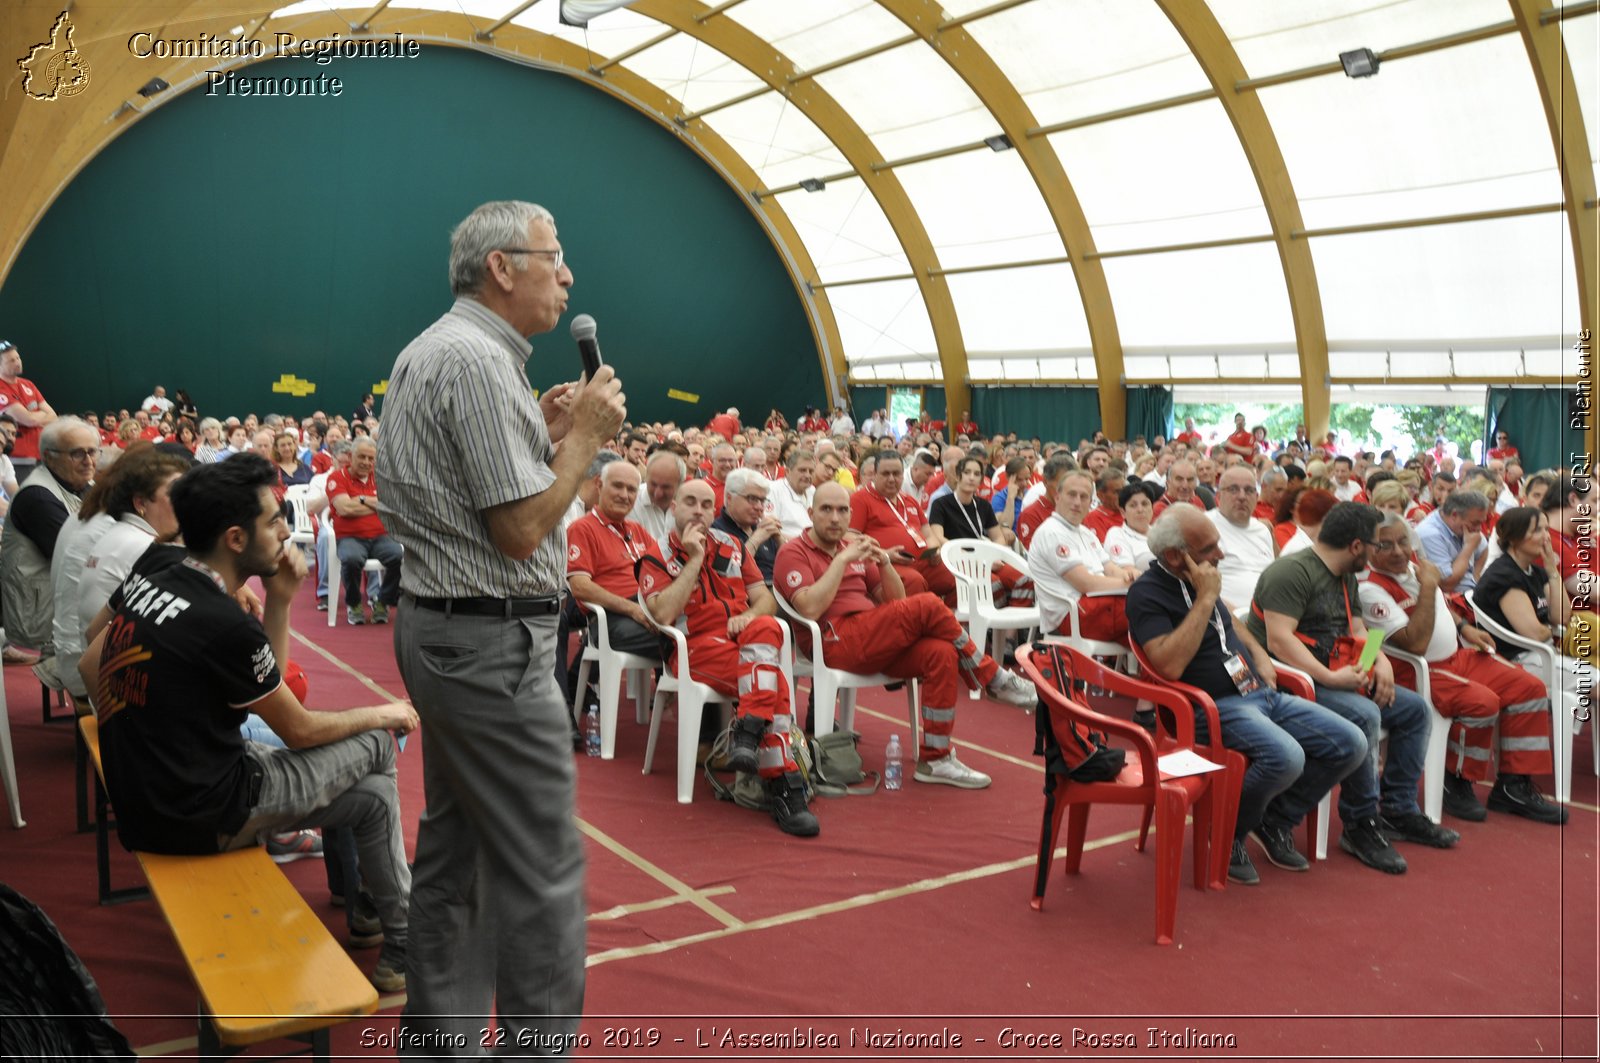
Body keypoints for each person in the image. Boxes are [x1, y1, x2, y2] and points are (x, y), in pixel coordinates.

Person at [379, 200, 624, 1050]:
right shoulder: (479, 364)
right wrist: (584, 441)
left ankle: (439, 1040)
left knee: (462, 855)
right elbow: (520, 532)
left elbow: (472, 493)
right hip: (489, 645)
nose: (567, 275)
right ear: (501, 268)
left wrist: (545, 431)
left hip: (446, 632)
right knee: (543, 870)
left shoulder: (439, 350)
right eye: (553, 257)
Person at [78, 455, 417, 991]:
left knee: (375, 799)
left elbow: (88, 661)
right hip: (204, 809)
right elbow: (297, 729)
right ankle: (388, 925)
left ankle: (386, 923)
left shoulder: (159, 568)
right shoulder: (219, 623)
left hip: (149, 795)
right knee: (380, 742)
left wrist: (278, 602)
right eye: (275, 520)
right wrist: (387, 710)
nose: (287, 530)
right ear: (235, 539)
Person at [1128, 507, 1366, 884]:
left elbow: (1231, 620)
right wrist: (1205, 598)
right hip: (1208, 707)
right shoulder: (1147, 592)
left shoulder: (1200, 577)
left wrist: (1259, 657)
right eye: (1208, 549)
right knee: (1287, 757)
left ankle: (1274, 821)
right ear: (1175, 556)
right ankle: (1227, 830)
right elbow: (1167, 666)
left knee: (1351, 742)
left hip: (1255, 690)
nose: (1220, 555)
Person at [774, 482, 1035, 789]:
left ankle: (935, 760)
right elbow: (809, 609)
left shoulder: (855, 550)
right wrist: (841, 561)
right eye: (826, 510)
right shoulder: (793, 552)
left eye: (842, 510)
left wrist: (883, 562)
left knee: (941, 653)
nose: (835, 518)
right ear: (810, 513)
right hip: (834, 642)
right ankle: (993, 678)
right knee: (927, 603)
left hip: (871, 634)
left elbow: (894, 601)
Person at [1246, 502, 1458, 873]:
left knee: (1414, 710)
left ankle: (1397, 809)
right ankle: (1359, 822)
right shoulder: (1291, 572)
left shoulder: (1344, 575)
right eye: (1379, 545)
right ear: (1358, 546)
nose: (1383, 553)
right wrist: (1329, 679)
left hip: (1336, 674)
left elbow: (1359, 632)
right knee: (1365, 714)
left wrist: (1381, 660)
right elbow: (1279, 642)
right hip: (1293, 680)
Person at [1359, 513, 1564, 825]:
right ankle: (1454, 781)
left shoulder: (1413, 569)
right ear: (1368, 549)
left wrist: (1465, 627)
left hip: (1457, 657)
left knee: (1528, 688)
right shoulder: (1370, 589)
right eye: (1386, 545)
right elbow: (1413, 644)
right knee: (1483, 703)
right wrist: (1428, 585)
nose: (1399, 551)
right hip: (1419, 673)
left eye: (1403, 541)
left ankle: (1514, 785)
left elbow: (1443, 607)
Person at [637, 480, 815, 835]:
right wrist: (696, 559)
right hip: (695, 649)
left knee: (766, 627)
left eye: (707, 504)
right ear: (674, 507)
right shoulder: (655, 554)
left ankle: (751, 731)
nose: (699, 511)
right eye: (690, 502)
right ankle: (783, 784)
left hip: (744, 642)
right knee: (774, 685)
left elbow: (764, 600)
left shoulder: (734, 546)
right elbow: (663, 616)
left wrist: (748, 617)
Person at [2, 417, 98, 666]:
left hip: (65, 599)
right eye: (77, 453)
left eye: (92, 451)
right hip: (41, 614)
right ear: (49, 457)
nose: (88, 461)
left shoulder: (84, 485)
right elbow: (80, 556)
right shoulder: (37, 497)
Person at [1027, 469, 1136, 643]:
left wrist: (1131, 576)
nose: (1077, 502)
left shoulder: (1085, 532)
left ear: (1090, 502)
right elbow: (1086, 584)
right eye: (1072, 495)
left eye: (1084, 497)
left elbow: (1111, 568)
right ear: (1057, 497)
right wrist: (1132, 586)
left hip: (1099, 605)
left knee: (1155, 628)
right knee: (1151, 610)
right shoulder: (1052, 532)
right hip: (1073, 614)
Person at [849, 450, 956, 605]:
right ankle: (916, 626)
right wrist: (884, 554)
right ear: (875, 474)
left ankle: (948, 622)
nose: (892, 479)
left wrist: (934, 550)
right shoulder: (860, 499)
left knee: (956, 576)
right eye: (885, 474)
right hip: (887, 565)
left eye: (896, 474)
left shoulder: (909, 500)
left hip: (923, 562)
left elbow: (929, 534)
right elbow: (849, 537)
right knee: (914, 581)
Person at [326, 438, 402, 625]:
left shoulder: (380, 477)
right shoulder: (336, 478)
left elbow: (392, 506)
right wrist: (375, 503)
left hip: (381, 536)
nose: (366, 462)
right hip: (349, 537)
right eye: (362, 457)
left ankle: (383, 602)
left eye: (371, 458)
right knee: (351, 560)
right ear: (351, 456)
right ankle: (354, 603)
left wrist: (359, 500)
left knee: (398, 556)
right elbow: (344, 509)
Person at [1208, 465, 1277, 612]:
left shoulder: (1263, 531)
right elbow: (1198, 587)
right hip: (1226, 616)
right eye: (1233, 489)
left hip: (1269, 615)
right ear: (1219, 496)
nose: (1241, 496)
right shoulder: (1204, 526)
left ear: (1256, 497)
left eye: (1249, 490)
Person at [1414, 490, 1491, 596]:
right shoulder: (1429, 534)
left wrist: (1475, 578)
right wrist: (1468, 548)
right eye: (1475, 523)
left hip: (1470, 594)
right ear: (1454, 515)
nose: (1478, 529)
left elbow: (1483, 548)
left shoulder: (1466, 527)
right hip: (1448, 601)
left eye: (1481, 523)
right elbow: (1447, 584)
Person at [0, 340, 57, 482]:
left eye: (18, 358)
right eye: (11, 360)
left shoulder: (28, 384)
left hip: (42, 455)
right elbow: (28, 420)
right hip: (17, 460)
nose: (17, 362)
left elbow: (54, 416)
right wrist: (39, 416)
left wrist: (33, 417)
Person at [630, 449, 683, 552]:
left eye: (666, 487)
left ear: (680, 484)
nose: (658, 493)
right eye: (653, 484)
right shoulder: (631, 500)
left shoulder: (688, 504)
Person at [769, 447, 815, 539]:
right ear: (788, 472)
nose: (807, 475)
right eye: (802, 470)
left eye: (811, 471)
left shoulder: (812, 490)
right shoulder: (774, 490)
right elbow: (770, 528)